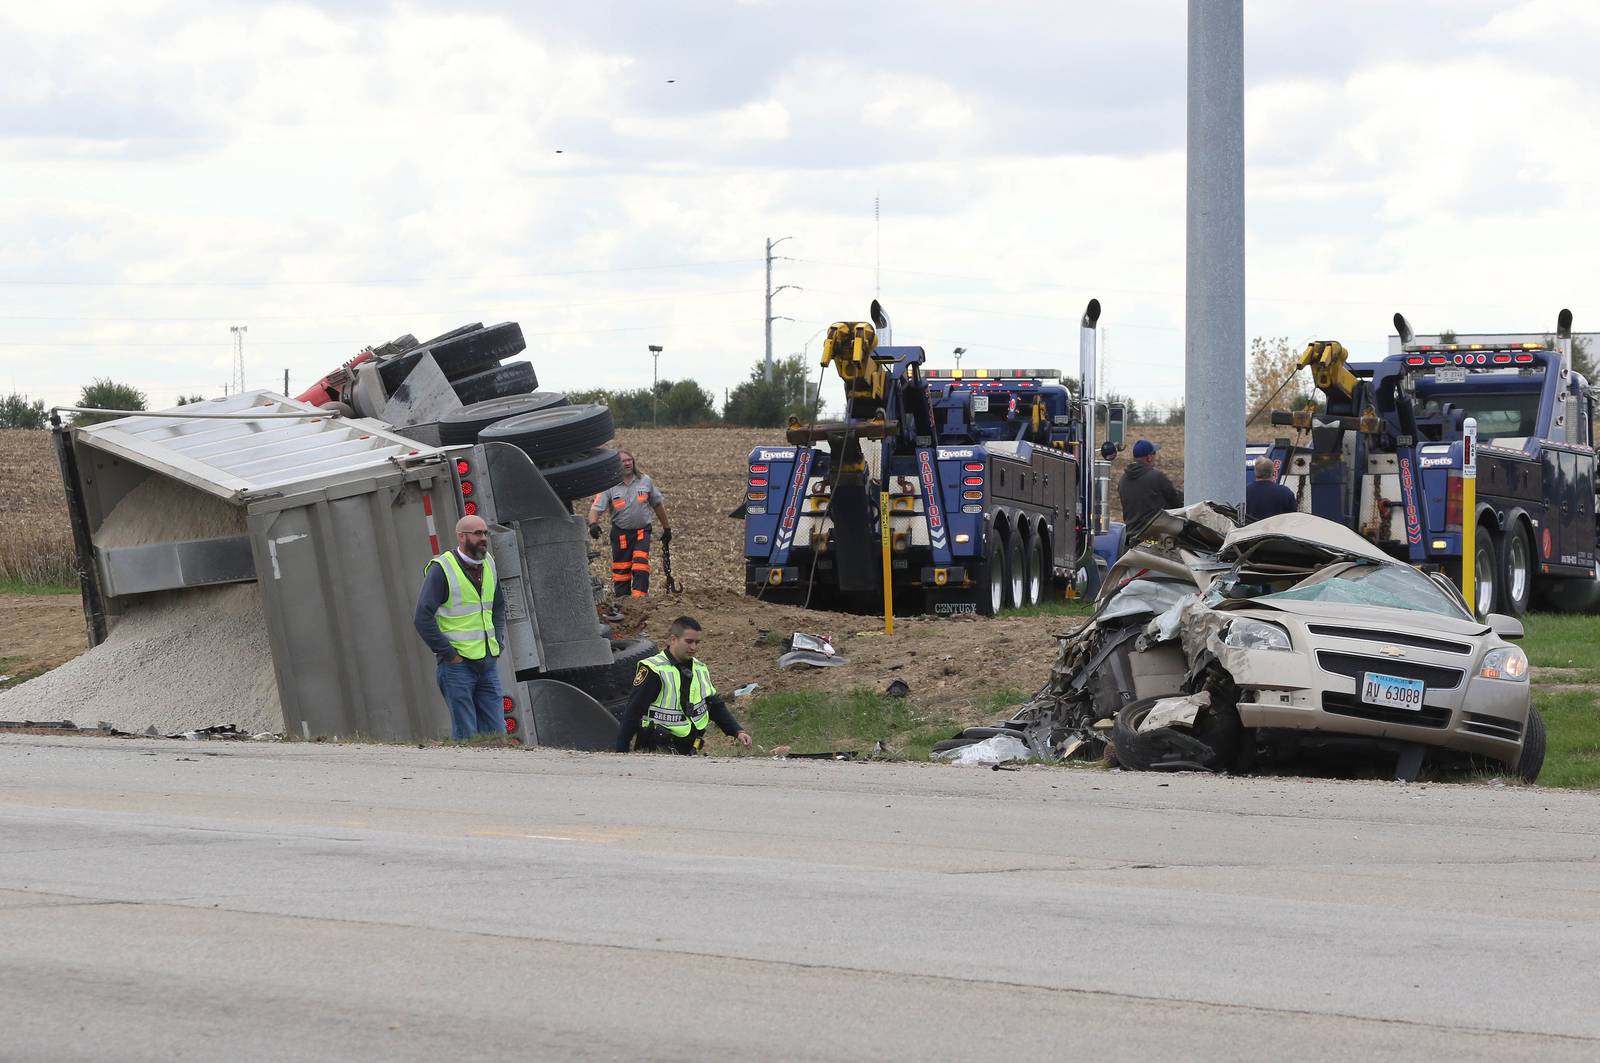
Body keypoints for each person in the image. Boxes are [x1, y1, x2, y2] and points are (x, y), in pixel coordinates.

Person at [413, 514, 507, 740]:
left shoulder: (489, 563)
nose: (483, 538)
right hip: (458, 667)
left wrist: (498, 642)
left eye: (485, 533)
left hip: (487, 663)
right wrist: (449, 654)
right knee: (467, 736)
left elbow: (498, 607)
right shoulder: (442, 568)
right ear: (462, 537)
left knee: (497, 734)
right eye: (477, 534)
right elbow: (421, 617)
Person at [614, 616, 752, 754]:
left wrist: (737, 731)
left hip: (689, 749)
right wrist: (622, 751)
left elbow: (715, 705)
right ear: (673, 639)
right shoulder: (653, 669)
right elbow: (633, 711)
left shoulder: (700, 668)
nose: (694, 647)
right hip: (657, 749)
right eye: (689, 641)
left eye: (697, 642)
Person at [587, 449, 674, 598]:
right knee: (622, 570)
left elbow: (658, 505)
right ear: (616, 465)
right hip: (621, 534)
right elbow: (595, 508)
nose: (627, 463)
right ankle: (623, 602)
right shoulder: (610, 485)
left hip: (642, 531)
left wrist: (667, 528)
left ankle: (639, 600)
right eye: (623, 461)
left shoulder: (645, 481)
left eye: (629, 460)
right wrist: (593, 524)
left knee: (640, 565)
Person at [1118, 438, 1184, 534]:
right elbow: (1177, 502)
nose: (1155, 457)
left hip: (1131, 535)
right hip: (1155, 536)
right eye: (1154, 454)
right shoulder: (1157, 477)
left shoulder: (1123, 479)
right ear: (1149, 458)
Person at [1245, 456, 1298, 522]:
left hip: (1252, 531)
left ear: (1255, 472)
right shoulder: (1285, 492)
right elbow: (1293, 516)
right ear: (1273, 472)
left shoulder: (1245, 492)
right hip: (1277, 531)